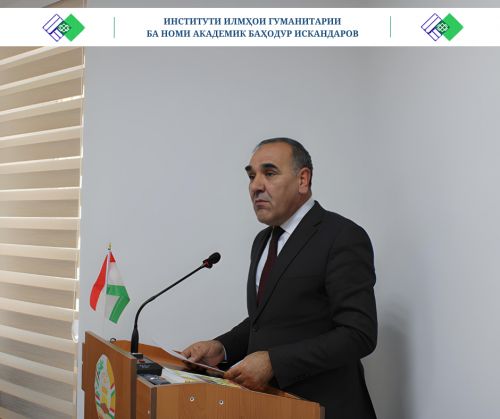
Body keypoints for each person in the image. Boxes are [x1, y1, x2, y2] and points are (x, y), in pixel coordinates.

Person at [182, 138, 377, 419]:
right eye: (251, 176)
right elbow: (265, 322)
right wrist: (221, 347)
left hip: (325, 408)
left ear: (303, 180)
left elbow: (359, 334)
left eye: (269, 173)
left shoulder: (342, 236)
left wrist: (274, 362)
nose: (255, 186)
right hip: (271, 407)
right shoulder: (262, 241)